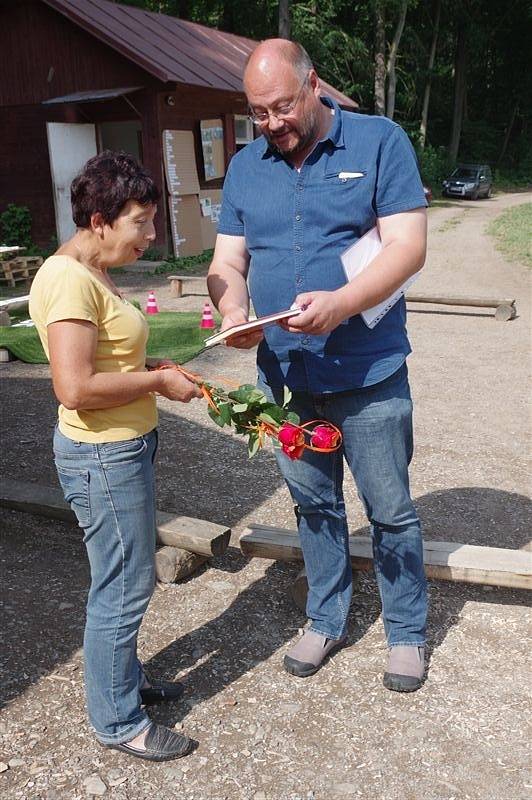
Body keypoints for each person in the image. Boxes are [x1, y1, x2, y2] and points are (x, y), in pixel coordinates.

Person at [208, 40, 428, 692]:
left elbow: (408, 247)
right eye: (258, 113)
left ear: (314, 85)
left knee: (389, 509)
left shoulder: (379, 142)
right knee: (313, 504)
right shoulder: (247, 167)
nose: (272, 123)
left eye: (282, 106)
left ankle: (407, 632)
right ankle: (325, 617)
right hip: (285, 381)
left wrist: (342, 304)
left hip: (369, 374)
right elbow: (226, 263)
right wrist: (231, 311)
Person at [29, 151, 202, 760]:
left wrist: (146, 367)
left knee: (125, 578)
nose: (151, 236)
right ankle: (117, 721)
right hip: (103, 459)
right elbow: (73, 388)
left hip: (123, 450)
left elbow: (104, 362)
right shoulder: (68, 278)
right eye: (141, 222)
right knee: (123, 588)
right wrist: (155, 386)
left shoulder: (94, 271)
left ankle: (121, 681)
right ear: (100, 220)